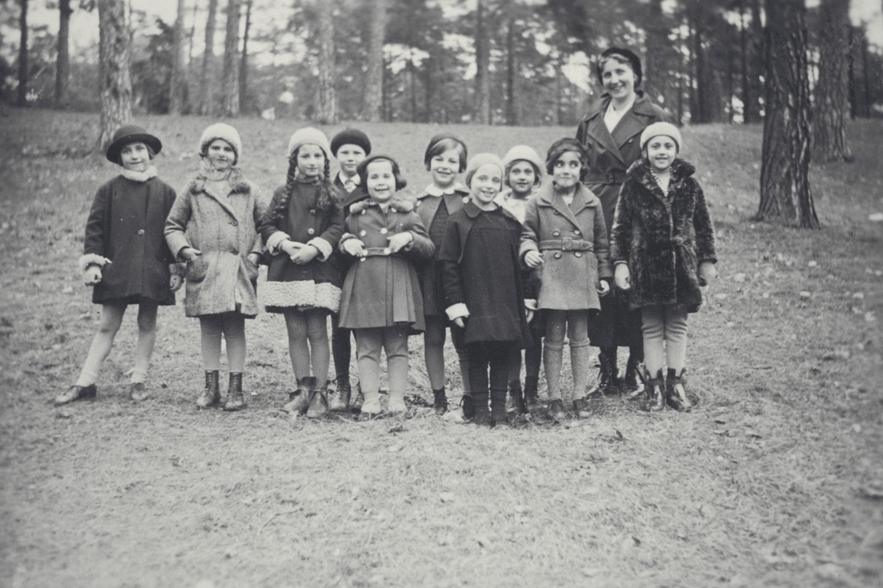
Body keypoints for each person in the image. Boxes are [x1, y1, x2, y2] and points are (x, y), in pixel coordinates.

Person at [56, 125, 181, 406]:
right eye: (127, 151)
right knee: (107, 325)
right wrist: (93, 264)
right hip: (117, 269)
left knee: (147, 323)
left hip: (152, 269)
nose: (134, 156)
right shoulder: (108, 190)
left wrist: (176, 268)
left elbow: (174, 232)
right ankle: (85, 382)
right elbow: (95, 230)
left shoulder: (166, 192)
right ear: (119, 157)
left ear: (149, 153)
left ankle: (139, 380)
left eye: (139, 149)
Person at [576, 47, 669, 397]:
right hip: (596, 205)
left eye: (621, 72)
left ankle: (636, 367)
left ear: (635, 75)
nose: (614, 80)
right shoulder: (591, 116)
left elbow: (665, 163)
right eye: (607, 74)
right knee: (601, 282)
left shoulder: (652, 114)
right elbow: (578, 163)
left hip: (637, 206)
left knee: (635, 283)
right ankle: (607, 368)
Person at [610, 122, 717, 411]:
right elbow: (620, 229)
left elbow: (703, 226)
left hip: (681, 267)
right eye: (655, 146)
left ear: (676, 150)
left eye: (668, 146)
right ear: (645, 151)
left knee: (678, 325)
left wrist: (706, 260)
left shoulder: (689, 185)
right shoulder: (633, 185)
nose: (662, 151)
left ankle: (676, 385)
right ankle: (653, 386)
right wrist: (621, 264)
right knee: (651, 327)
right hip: (646, 267)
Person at [165, 123, 266, 411]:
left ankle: (236, 388)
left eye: (227, 149)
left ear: (235, 155)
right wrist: (184, 250)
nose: (221, 153)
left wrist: (255, 254)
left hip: (237, 271)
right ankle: (211, 387)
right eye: (215, 147)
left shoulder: (249, 190)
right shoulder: (193, 188)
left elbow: (268, 226)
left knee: (234, 329)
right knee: (209, 329)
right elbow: (173, 225)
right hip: (205, 268)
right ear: (205, 152)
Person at [521, 139, 612, 421]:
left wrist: (604, 274)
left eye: (573, 164)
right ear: (551, 167)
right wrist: (528, 251)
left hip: (582, 274)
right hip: (553, 275)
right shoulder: (538, 200)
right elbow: (527, 234)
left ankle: (579, 395)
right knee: (554, 337)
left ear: (582, 168)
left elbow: (601, 243)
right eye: (560, 164)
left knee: (580, 338)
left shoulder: (592, 202)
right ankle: (554, 398)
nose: (566, 170)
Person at [440, 153, 533, 427]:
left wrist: (527, 297)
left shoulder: (509, 222)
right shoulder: (457, 221)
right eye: (482, 178)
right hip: (474, 301)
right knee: (477, 356)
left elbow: (521, 266)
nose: (489, 185)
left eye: (495, 180)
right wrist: (455, 302)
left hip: (504, 300)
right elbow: (448, 265)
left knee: (502, 354)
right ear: (469, 181)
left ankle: (499, 411)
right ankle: (481, 411)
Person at [338, 155, 434, 419]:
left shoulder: (408, 214)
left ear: (396, 180)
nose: (381, 182)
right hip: (365, 284)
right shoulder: (355, 216)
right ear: (365, 182)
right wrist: (346, 242)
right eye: (374, 177)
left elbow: (428, 248)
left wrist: (410, 237)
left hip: (397, 285)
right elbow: (342, 241)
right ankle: (370, 399)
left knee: (397, 347)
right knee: (366, 347)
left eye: (386, 176)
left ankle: (396, 399)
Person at [259, 128, 344, 419]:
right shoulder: (282, 193)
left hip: (319, 271)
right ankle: (302, 390)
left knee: (317, 331)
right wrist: (284, 243)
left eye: (317, 155)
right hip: (288, 271)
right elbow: (266, 225)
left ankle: (320, 393)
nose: (311, 161)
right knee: (295, 331)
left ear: (325, 160)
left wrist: (316, 247)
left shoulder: (332, 194)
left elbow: (337, 227)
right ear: (294, 160)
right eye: (305, 155)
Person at [414, 133, 471, 416]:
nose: (445, 166)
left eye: (452, 161)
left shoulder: (468, 201)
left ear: (461, 166)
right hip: (430, 280)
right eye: (439, 159)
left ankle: (471, 395)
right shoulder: (419, 203)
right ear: (428, 162)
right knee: (434, 338)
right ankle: (439, 397)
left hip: (462, 280)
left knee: (465, 339)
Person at [496, 145, 544, 413]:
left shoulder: (542, 203)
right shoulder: (498, 204)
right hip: (506, 278)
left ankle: (532, 390)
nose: (522, 176)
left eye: (528, 171)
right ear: (507, 175)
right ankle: (513, 391)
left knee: (534, 336)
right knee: (512, 335)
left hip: (535, 278)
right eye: (516, 171)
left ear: (536, 177)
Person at [328, 128, 372, 412]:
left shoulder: (371, 186)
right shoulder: (327, 188)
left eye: (357, 152)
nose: (351, 157)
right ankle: (342, 384)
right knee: (339, 327)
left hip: (364, 265)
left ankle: (365, 387)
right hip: (334, 265)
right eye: (345, 152)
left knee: (365, 328)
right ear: (336, 156)